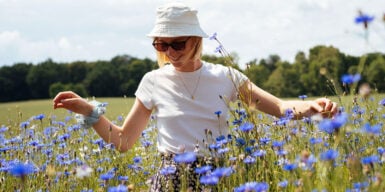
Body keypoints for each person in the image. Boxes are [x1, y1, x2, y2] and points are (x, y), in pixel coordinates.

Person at [53, 2, 338, 191]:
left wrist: (311, 106)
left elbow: (278, 106)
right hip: (170, 179)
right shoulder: (152, 81)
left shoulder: (226, 76)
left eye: (177, 44)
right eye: (162, 44)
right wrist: (87, 111)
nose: (170, 52)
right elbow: (123, 142)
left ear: (196, 40)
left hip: (220, 175)